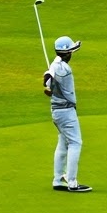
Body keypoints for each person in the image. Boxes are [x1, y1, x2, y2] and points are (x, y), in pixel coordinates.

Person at [44, 35, 91, 191]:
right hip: (66, 111)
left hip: (58, 112)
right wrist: (48, 83)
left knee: (63, 143)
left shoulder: (55, 64)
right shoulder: (62, 68)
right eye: (71, 51)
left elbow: (48, 77)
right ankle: (72, 182)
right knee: (75, 143)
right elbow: (48, 77)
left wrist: (49, 85)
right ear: (67, 53)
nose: (72, 54)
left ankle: (58, 180)